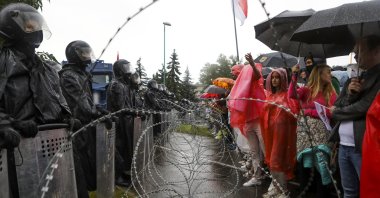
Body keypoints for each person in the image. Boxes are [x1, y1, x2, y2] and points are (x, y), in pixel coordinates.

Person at [0, 3, 75, 197]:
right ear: (12, 27)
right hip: (15, 152)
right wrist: (9, 125)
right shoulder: (2, 63)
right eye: (30, 26)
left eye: (37, 25)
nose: (36, 30)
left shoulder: (47, 68)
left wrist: (67, 118)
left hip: (48, 146)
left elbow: (56, 98)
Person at [330, 35, 380, 198]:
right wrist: (350, 94)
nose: (355, 54)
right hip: (344, 146)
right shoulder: (354, 78)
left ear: (376, 51)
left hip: (364, 148)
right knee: (349, 192)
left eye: (360, 50)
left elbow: (365, 107)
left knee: (370, 191)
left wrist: (337, 112)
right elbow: (339, 103)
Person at [59, 40, 111, 197]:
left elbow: (89, 101)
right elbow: (81, 103)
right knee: (78, 170)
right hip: (77, 129)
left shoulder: (82, 74)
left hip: (85, 127)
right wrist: (97, 113)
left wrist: (99, 109)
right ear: (74, 54)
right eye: (84, 53)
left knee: (88, 168)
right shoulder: (69, 75)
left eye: (88, 52)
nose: (87, 56)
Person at [289, 64, 337, 197]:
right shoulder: (306, 90)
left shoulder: (331, 93)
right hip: (305, 134)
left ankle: (322, 194)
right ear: (319, 74)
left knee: (321, 166)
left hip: (322, 135)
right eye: (328, 72)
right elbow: (292, 94)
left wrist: (309, 111)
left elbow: (332, 113)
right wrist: (294, 75)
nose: (330, 75)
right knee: (306, 166)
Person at [228, 53, 266, 187]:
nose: (234, 74)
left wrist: (251, 64)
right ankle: (257, 176)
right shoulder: (237, 87)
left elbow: (257, 75)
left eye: (235, 71)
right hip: (248, 121)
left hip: (259, 120)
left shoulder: (252, 79)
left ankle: (277, 181)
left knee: (266, 151)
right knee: (254, 152)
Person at [261, 68, 298, 198]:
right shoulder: (270, 95)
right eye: (273, 77)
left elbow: (293, 113)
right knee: (271, 161)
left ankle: (284, 191)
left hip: (281, 133)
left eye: (278, 77)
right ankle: (276, 188)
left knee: (277, 160)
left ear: (282, 79)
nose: (275, 80)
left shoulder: (287, 95)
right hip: (269, 133)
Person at [106, 59, 136, 187]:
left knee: (125, 149)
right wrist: (135, 112)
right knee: (119, 148)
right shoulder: (116, 85)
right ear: (120, 70)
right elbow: (121, 107)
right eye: (126, 68)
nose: (128, 71)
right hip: (119, 122)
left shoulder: (124, 85)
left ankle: (123, 172)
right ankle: (117, 177)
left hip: (126, 121)